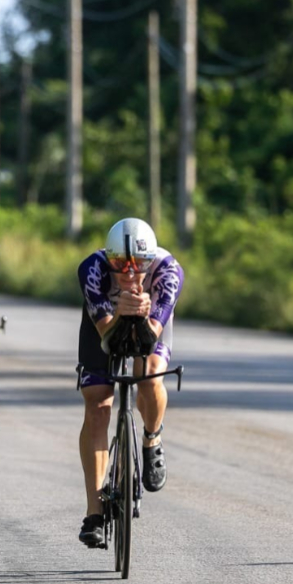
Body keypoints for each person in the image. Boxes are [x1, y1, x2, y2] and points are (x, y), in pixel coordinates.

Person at [75, 218, 184, 549]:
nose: (130, 273)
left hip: (150, 324)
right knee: (97, 402)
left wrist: (144, 315)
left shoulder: (168, 273)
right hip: (105, 325)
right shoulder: (92, 269)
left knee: (149, 372)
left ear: (151, 260)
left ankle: (152, 438)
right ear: (109, 258)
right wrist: (122, 314)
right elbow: (107, 336)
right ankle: (94, 512)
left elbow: (150, 337)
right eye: (120, 264)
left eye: (139, 265)